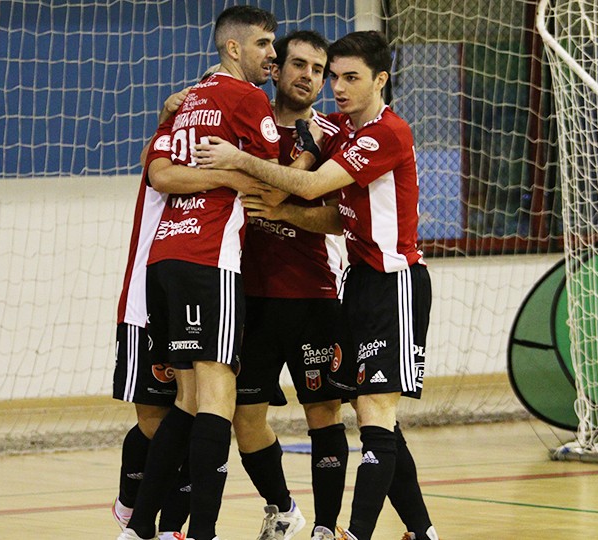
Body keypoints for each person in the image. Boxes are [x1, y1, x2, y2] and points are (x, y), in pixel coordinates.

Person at [194, 30, 439, 540]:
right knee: (361, 415)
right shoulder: (273, 123)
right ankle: (303, 512)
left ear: (380, 80)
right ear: (275, 69)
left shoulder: (355, 132)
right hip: (294, 291)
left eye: (336, 73)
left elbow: (311, 188)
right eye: (314, 70)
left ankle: (338, 529)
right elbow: (342, 217)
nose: (323, 82)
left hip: (355, 289)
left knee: (364, 411)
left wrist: (242, 166)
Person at [118, 6, 280, 540]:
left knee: (185, 402)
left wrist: (211, 173)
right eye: (262, 45)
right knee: (218, 399)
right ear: (232, 49)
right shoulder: (248, 99)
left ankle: (141, 528)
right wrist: (230, 173)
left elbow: (161, 172)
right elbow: (269, 182)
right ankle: (202, 534)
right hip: (210, 258)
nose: (271, 55)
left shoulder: (185, 103)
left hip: (165, 258)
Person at [230, 30, 349, 540]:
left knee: (323, 412)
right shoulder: (245, 123)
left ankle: (325, 527)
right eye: (298, 64)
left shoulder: (329, 136)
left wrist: (286, 210)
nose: (308, 75)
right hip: (248, 298)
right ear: (275, 69)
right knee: (242, 417)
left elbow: (343, 219)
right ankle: (282, 509)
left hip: (311, 296)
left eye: (319, 70)